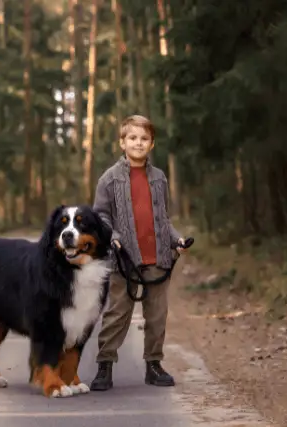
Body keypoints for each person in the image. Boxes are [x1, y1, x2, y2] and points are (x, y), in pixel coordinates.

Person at [90, 114, 187, 391]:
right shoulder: (109, 179)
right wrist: (115, 238)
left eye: (144, 138)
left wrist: (176, 240)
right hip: (124, 260)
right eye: (132, 138)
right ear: (122, 142)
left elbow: (163, 218)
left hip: (157, 256)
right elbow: (101, 217)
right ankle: (105, 365)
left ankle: (154, 365)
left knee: (157, 313)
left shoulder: (159, 178)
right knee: (118, 312)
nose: (138, 143)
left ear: (152, 144)